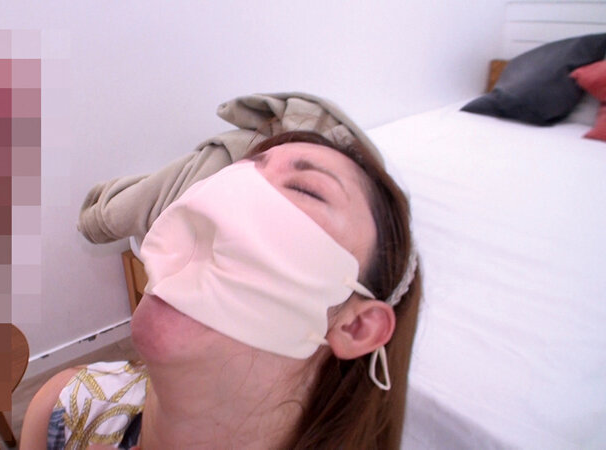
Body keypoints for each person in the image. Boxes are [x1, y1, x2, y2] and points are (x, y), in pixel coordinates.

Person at [21, 127, 422, 449]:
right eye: (240, 171)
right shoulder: (65, 408)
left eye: (306, 189)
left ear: (356, 327)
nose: (225, 196)